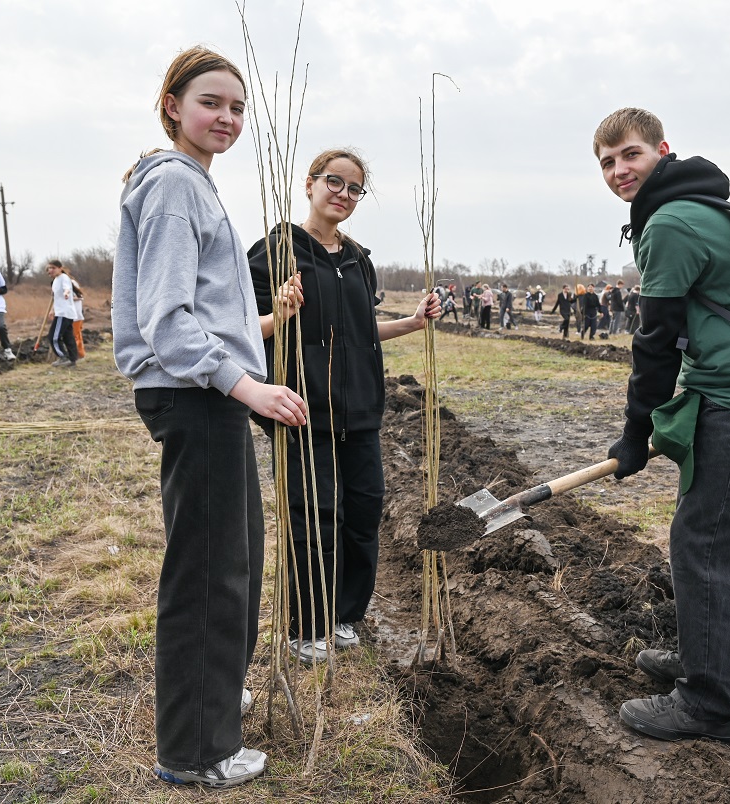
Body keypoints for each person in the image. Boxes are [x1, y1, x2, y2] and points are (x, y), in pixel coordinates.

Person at [111, 45, 308, 788]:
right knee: (207, 574)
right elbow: (167, 320)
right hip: (195, 398)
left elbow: (206, 314)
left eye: (236, 108)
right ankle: (195, 750)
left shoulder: (192, 184)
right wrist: (244, 387)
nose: (225, 118)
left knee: (234, 561)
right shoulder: (172, 187)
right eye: (210, 103)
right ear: (172, 107)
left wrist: (256, 341)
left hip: (204, 395)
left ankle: (213, 695)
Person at [594, 107, 730, 744]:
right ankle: (702, 656)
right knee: (702, 538)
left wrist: (635, 435)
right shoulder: (698, 207)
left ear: (662, 149)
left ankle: (709, 703)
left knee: (713, 549)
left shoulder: (672, 222)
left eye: (630, 155)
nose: (619, 171)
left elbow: (655, 342)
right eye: (606, 163)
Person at [247, 148, 441, 666]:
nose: (344, 194)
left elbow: (359, 329)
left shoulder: (357, 259)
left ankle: (344, 615)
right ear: (310, 184)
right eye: (335, 182)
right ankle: (305, 626)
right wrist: (279, 313)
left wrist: (412, 322)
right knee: (314, 517)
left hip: (360, 411)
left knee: (362, 513)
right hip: (301, 408)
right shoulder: (275, 251)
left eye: (355, 189)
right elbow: (242, 328)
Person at [45, 260, 79, 368]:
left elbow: (67, 288)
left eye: (53, 268)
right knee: (68, 337)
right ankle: (72, 360)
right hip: (65, 312)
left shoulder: (63, 278)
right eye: (49, 268)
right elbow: (57, 298)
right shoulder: (56, 280)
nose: (51, 270)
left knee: (53, 337)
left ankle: (63, 357)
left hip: (63, 313)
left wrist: (66, 293)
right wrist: (52, 310)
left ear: (60, 268)